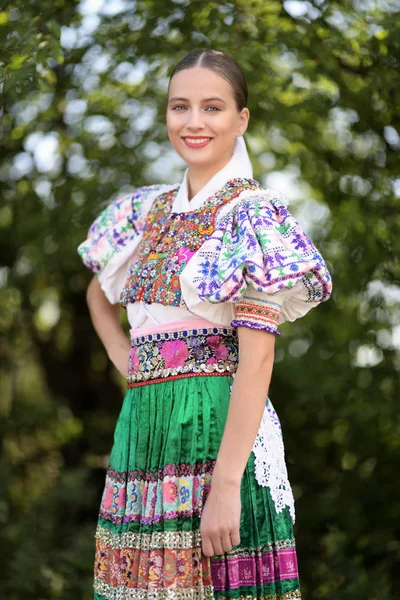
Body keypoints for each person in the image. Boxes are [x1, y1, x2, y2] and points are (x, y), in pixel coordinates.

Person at [78, 49, 332, 600]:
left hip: (217, 432)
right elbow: (98, 295)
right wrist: (136, 367)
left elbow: (258, 358)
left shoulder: (251, 216)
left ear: (241, 119)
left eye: (212, 107)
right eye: (180, 106)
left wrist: (226, 486)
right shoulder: (146, 212)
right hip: (143, 432)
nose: (193, 122)